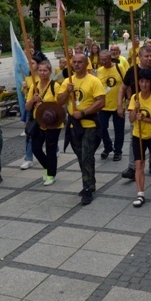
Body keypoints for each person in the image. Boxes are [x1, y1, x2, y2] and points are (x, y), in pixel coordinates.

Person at [57, 54, 105, 205]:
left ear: (86, 64)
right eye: (74, 62)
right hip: (74, 126)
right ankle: (89, 181)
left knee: (86, 156)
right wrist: (67, 92)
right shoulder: (67, 81)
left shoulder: (94, 81)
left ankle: (87, 189)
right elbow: (59, 101)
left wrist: (84, 112)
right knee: (80, 156)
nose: (76, 65)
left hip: (89, 125)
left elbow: (101, 102)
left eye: (80, 62)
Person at [119, 46, 151, 179]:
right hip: (136, 108)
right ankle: (133, 167)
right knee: (134, 138)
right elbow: (122, 88)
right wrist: (120, 105)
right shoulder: (132, 71)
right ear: (139, 57)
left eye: (150, 56)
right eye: (146, 56)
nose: (149, 58)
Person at [128, 69, 151, 207]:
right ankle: (140, 194)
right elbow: (131, 120)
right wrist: (134, 110)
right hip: (138, 135)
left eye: (147, 82)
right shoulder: (134, 98)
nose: (144, 84)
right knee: (139, 164)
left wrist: (144, 118)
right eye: (142, 81)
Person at [25, 60, 63, 185]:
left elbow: (58, 105)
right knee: (36, 148)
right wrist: (33, 100)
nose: (42, 73)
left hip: (53, 123)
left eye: (45, 70)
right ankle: (48, 167)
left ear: (49, 71)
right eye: (40, 70)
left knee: (51, 149)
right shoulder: (34, 86)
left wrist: (44, 106)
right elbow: (27, 107)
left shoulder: (55, 86)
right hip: (39, 122)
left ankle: (51, 175)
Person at [97, 50, 127, 161]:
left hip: (118, 104)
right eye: (101, 59)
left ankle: (118, 151)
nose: (103, 62)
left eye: (105, 59)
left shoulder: (120, 68)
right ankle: (108, 146)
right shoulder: (99, 71)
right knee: (101, 128)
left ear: (110, 59)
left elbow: (126, 85)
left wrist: (127, 103)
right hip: (103, 105)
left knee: (119, 129)